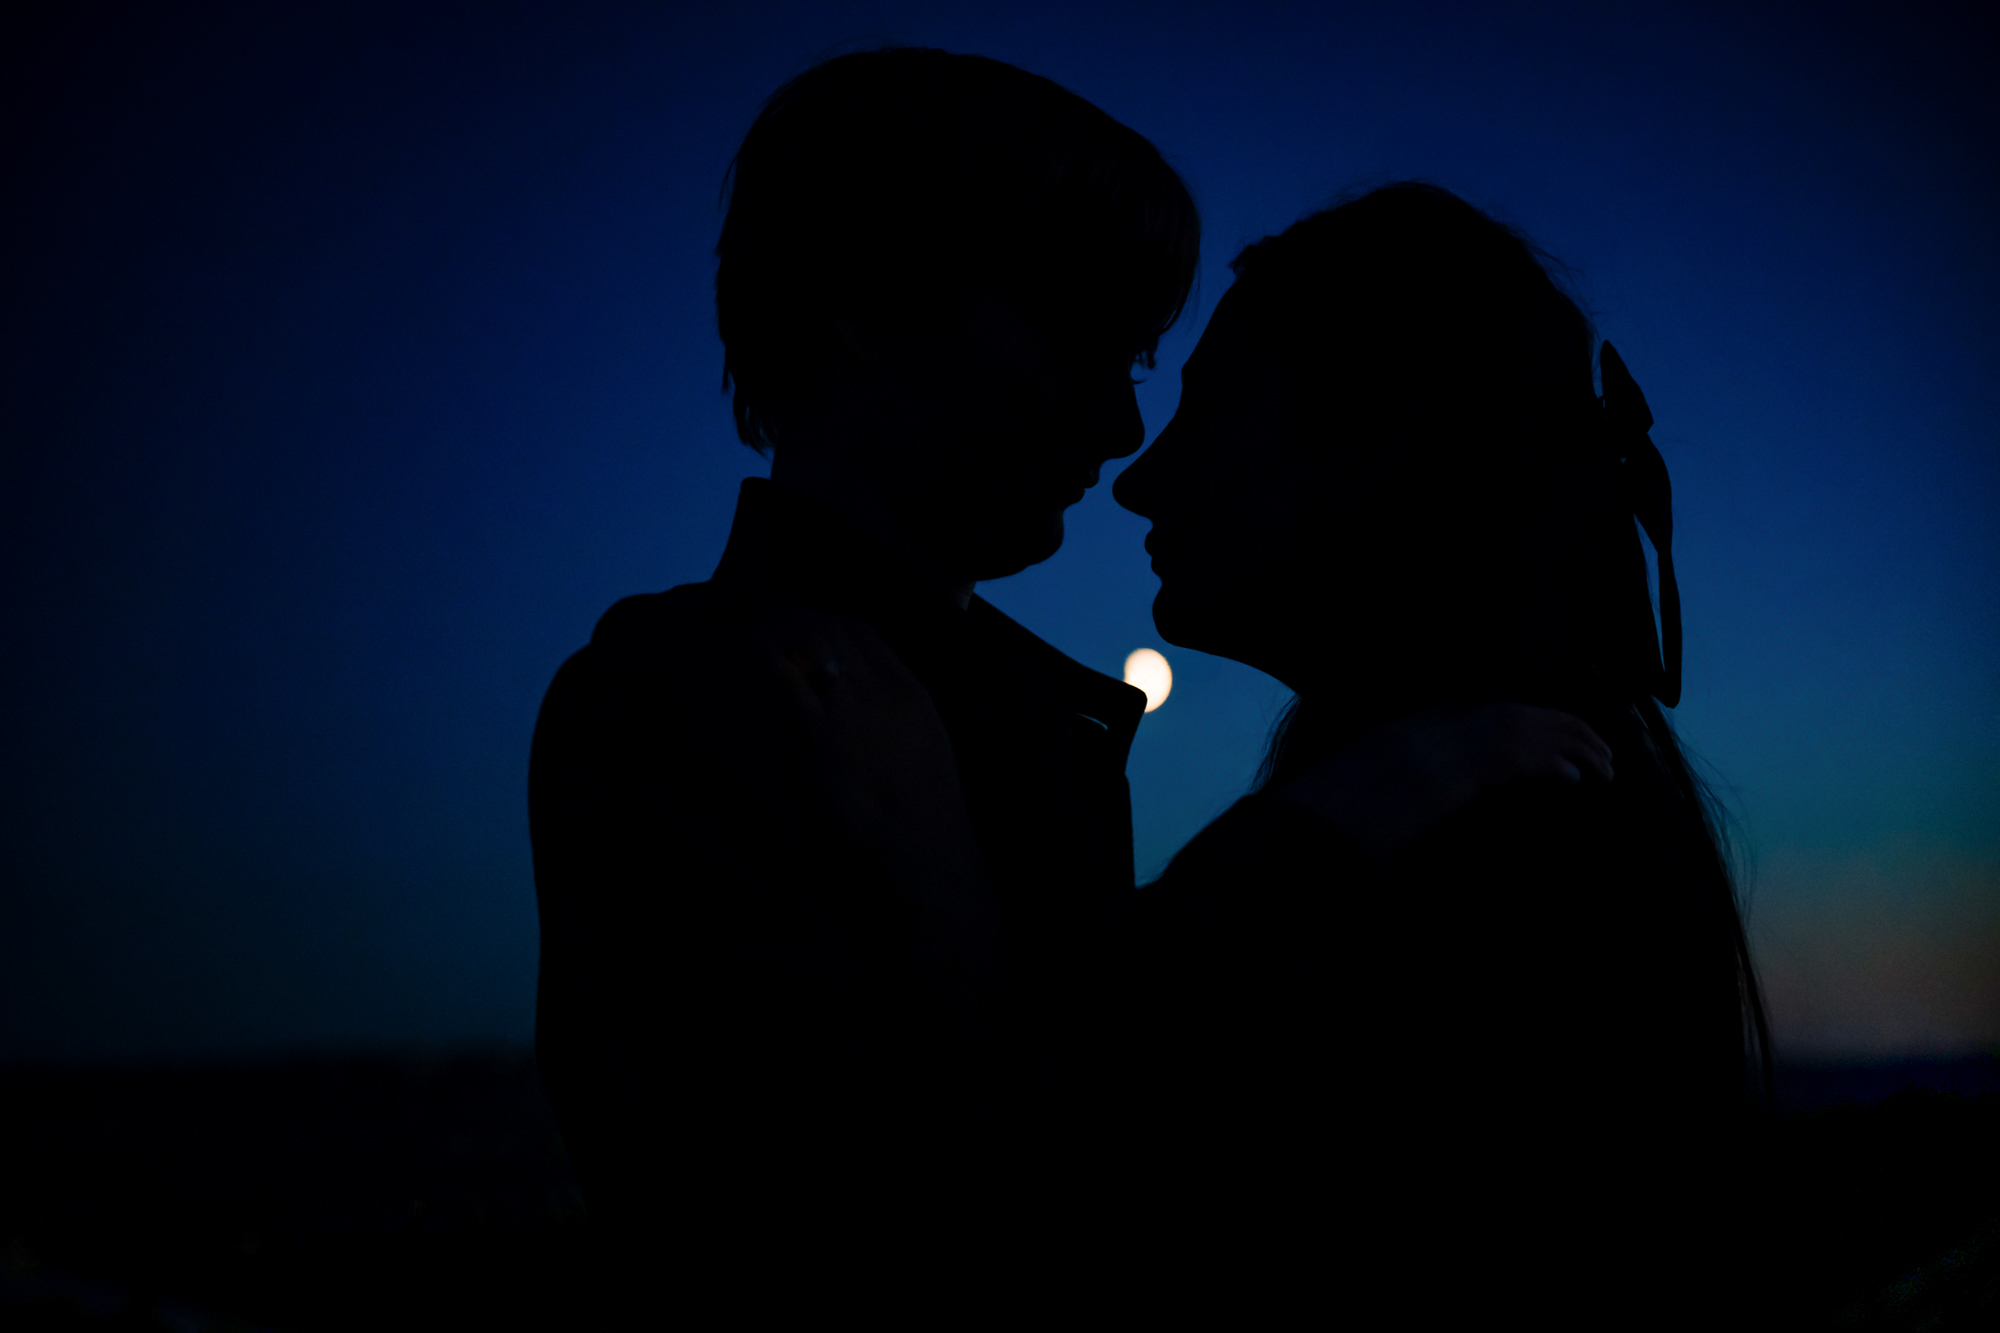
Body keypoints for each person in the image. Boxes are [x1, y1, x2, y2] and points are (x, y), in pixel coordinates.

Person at [530, 50, 1614, 1312]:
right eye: (1077, 338)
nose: (1116, 427)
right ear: (869, 309)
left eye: (1138, 360)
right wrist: (1317, 835)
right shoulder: (678, 702)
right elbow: (814, 1236)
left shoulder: (1022, 717)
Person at [1108, 182, 1771, 1314]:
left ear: (1374, 437)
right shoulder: (1498, 794)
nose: (1138, 474)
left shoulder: (1505, 850)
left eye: (1208, 410)